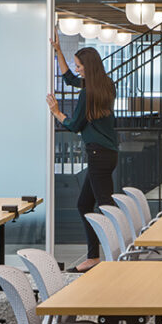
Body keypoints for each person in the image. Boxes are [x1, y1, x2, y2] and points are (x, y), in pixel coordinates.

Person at [49, 30, 119, 271]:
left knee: (106, 206)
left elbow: (76, 124)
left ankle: (116, 254)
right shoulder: (106, 85)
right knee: (85, 204)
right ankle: (94, 256)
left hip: (99, 154)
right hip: (106, 154)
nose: (77, 69)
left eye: (79, 66)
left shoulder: (88, 93)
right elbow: (69, 79)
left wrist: (57, 112)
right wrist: (59, 51)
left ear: (88, 67)